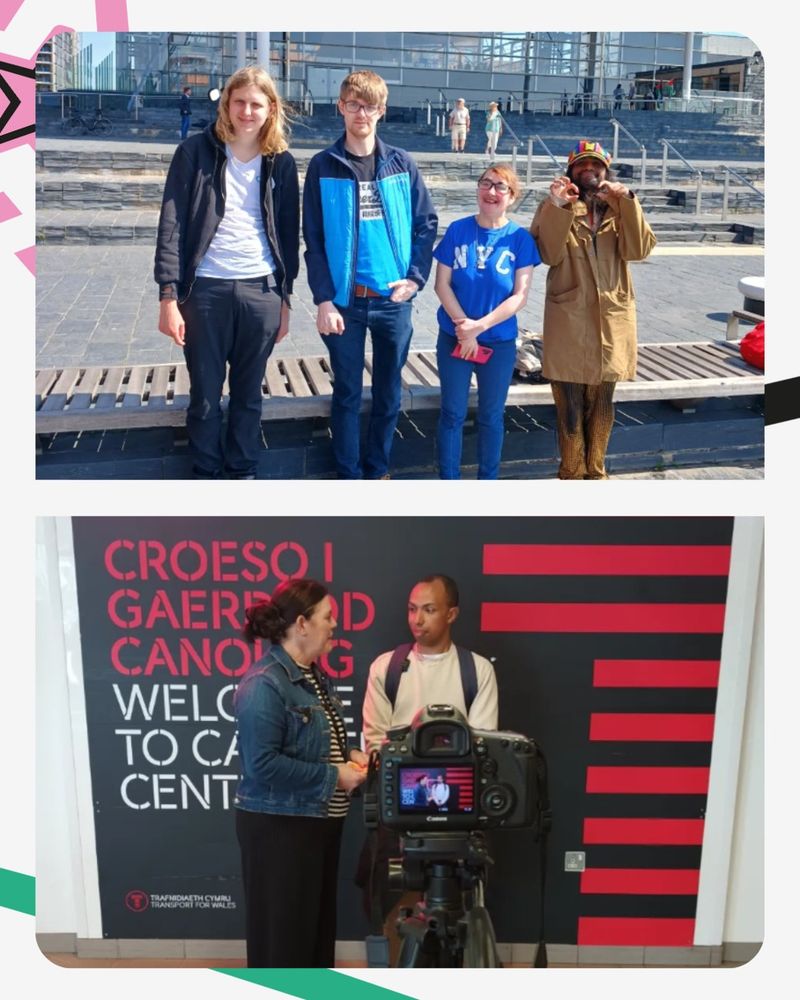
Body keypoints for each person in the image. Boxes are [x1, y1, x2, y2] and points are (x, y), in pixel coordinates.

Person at [155, 66, 299, 480]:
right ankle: (206, 472)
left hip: (262, 291)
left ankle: (242, 471)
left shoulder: (281, 162)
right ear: (226, 105)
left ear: (271, 109)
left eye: (256, 104)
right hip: (205, 292)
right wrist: (168, 297)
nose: (247, 112)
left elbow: (288, 236)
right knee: (204, 395)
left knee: (249, 395)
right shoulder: (194, 152)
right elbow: (171, 226)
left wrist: (285, 300)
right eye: (240, 102)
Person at [303, 70, 438, 479]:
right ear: (341, 108)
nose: (361, 113)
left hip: (391, 302)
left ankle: (378, 470)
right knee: (346, 393)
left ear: (382, 111)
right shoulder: (323, 165)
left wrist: (414, 279)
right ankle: (349, 475)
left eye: (370, 106)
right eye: (354, 105)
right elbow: (314, 238)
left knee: (387, 393)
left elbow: (426, 224)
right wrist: (324, 299)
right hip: (344, 302)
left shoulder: (401, 163)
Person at [359, 573, 499, 961]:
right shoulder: (386, 668)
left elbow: (482, 744)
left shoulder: (477, 671)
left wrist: (431, 774)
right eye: (412, 609)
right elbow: (376, 743)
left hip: (461, 816)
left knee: (461, 909)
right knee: (392, 903)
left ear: (451, 614)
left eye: (429, 609)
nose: (417, 619)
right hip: (398, 813)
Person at [233, 578, 369, 968]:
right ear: (302, 624)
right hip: (281, 830)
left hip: (316, 825)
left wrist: (350, 755)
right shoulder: (264, 683)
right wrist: (335, 776)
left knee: (313, 935)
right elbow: (262, 764)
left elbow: (318, 743)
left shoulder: (314, 676)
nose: (335, 625)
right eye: (328, 617)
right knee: (285, 943)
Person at [530, 139, 656, 479]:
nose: (589, 170)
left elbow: (638, 250)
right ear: (571, 171)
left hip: (611, 321)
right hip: (569, 321)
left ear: (606, 171)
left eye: (596, 165)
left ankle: (596, 473)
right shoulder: (556, 205)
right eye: (582, 165)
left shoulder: (619, 208)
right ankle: (572, 473)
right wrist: (558, 205)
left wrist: (627, 200)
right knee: (569, 408)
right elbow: (547, 254)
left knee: (602, 406)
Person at [432, 164, 541, 479]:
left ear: (512, 196)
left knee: (491, 416)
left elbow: (519, 296)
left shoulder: (520, 239)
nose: (491, 191)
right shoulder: (458, 230)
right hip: (454, 337)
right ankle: (449, 481)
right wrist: (463, 328)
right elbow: (441, 285)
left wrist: (478, 328)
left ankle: (487, 482)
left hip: (498, 342)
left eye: (500, 186)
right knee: (452, 413)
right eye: (486, 183)